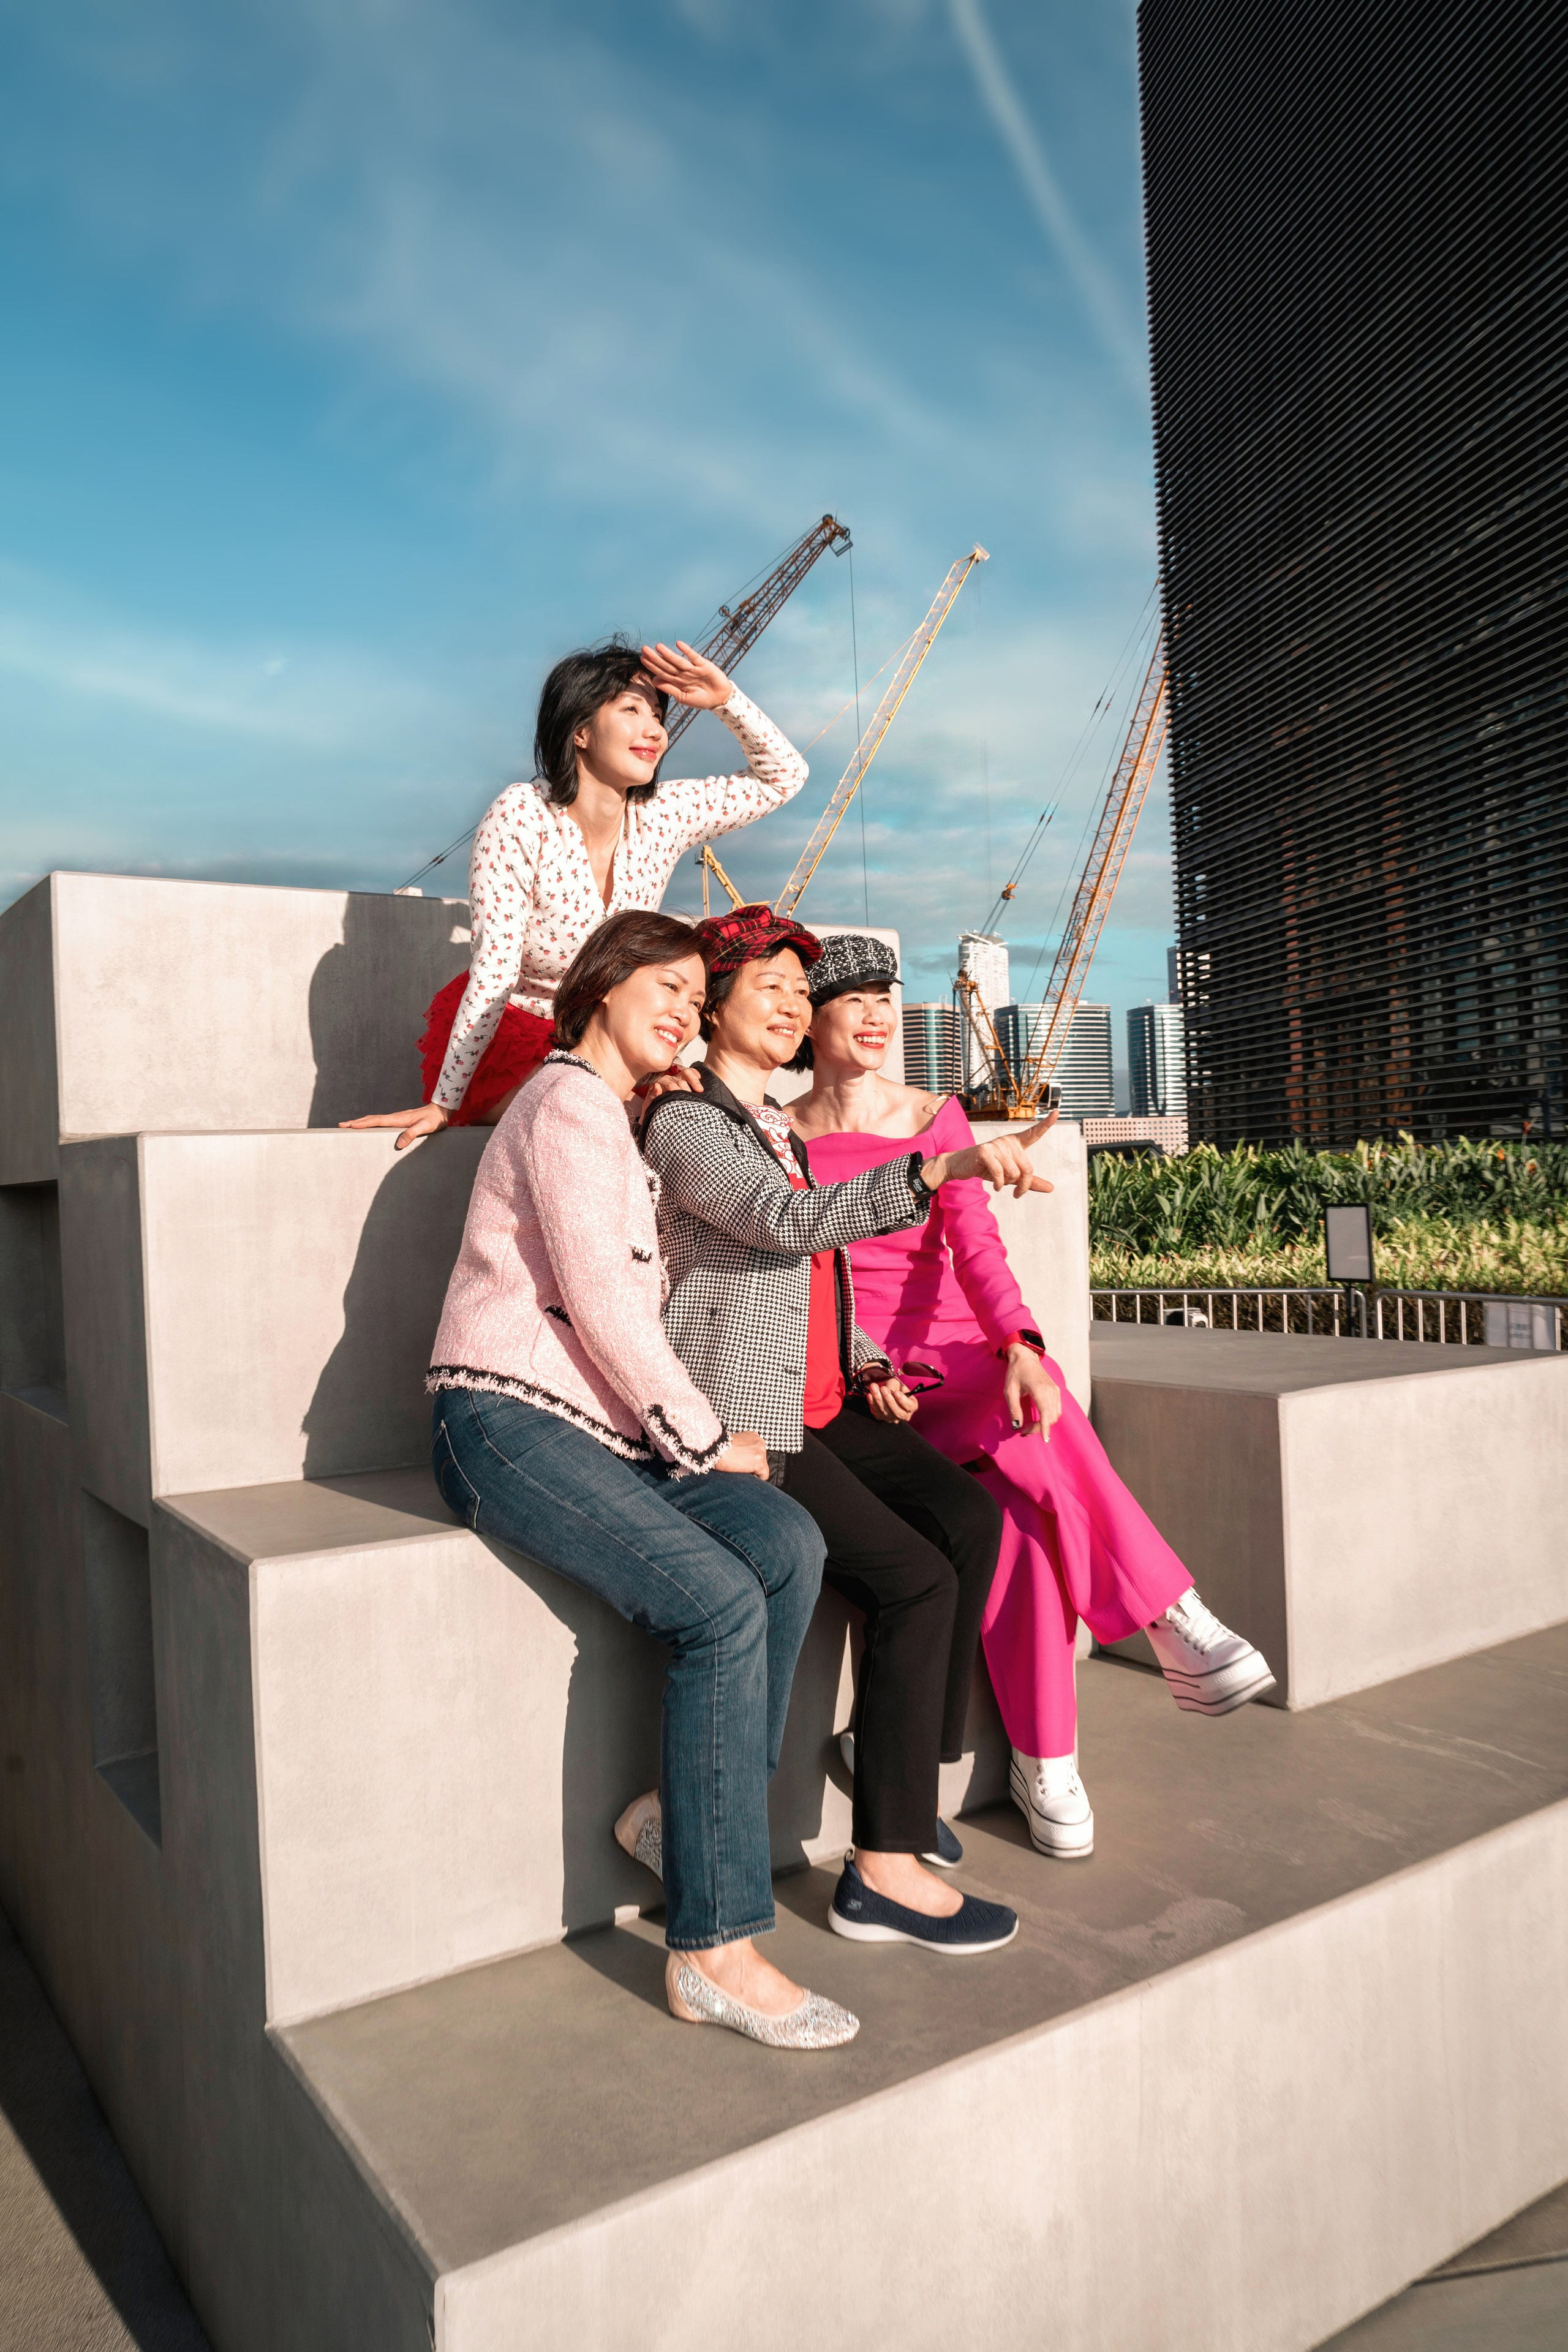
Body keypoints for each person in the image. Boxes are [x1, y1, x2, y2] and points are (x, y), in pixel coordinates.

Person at [426, 908, 856, 2049]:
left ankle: (683, 1818)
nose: (682, 1009)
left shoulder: (617, 1119)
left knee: (786, 1542)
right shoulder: (567, 1104)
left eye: (692, 997)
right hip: (499, 1419)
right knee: (717, 1603)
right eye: (663, 987)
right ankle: (712, 1949)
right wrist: (705, 1438)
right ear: (603, 987)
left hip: (593, 1430)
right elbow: (607, 1306)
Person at [790, 933, 1276, 1861]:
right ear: (808, 1019)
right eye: (853, 1000)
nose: (877, 1016)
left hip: (958, 1355)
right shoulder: (782, 1136)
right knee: (1016, 1510)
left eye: (887, 998)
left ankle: (1064, 1737)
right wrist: (861, 1369)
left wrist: (1017, 1345)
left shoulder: (937, 1117)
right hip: (869, 1375)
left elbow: (977, 1250)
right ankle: (1139, 1650)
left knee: (1028, 1448)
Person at [641, 904, 1055, 1958]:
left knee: (967, 1519)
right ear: (712, 1009)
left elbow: (818, 1276)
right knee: (915, 1581)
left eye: (800, 990)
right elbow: (785, 1225)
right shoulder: (688, 1124)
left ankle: (894, 1763)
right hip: (749, 1418)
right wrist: (941, 1166)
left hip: (821, 1396)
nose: (792, 1006)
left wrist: (866, 1358)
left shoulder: (773, 1127)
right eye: (768, 988)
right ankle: (882, 1870)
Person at [344, 636, 809, 1147]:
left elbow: (784, 778)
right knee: (588, 1103)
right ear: (580, 730)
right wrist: (444, 1103)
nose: (654, 730)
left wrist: (725, 700)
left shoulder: (663, 815)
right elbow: (495, 970)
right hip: (517, 1041)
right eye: (631, 710)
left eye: (658, 716)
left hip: (620, 1038)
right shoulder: (523, 814)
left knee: (679, 1112)